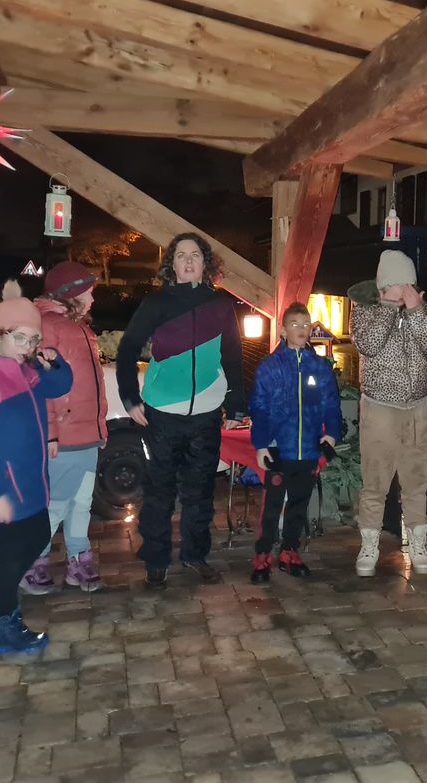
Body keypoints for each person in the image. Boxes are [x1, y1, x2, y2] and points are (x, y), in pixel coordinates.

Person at [115, 233, 246, 589]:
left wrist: (236, 404)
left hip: (206, 412)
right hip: (162, 412)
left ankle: (195, 555)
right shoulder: (156, 303)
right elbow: (128, 349)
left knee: (200, 491)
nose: (188, 261)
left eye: (195, 255)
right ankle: (156, 560)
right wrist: (130, 398)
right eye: (181, 255)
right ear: (171, 264)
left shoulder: (220, 306)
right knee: (159, 491)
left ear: (206, 264)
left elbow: (233, 356)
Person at [0, 282, 72, 655]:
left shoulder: (26, 370)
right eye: (20, 338)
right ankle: (3, 628)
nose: (27, 346)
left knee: (36, 538)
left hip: (30, 485)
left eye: (33, 339)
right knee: (7, 558)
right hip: (0, 489)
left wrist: (53, 362)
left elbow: (60, 385)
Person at [347, 249, 427, 577]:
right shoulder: (365, 310)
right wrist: (389, 306)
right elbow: (368, 345)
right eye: (399, 284)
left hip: (418, 408)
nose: (405, 290)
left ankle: (417, 542)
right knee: (375, 482)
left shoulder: (419, 310)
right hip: (380, 409)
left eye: (409, 284)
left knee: (417, 481)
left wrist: (417, 310)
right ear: (384, 285)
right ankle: (369, 545)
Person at [19, 262, 108, 595]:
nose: (93, 299)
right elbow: (39, 385)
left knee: (81, 503)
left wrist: (100, 427)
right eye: (89, 293)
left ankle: (78, 561)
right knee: (55, 505)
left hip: (87, 434)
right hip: (64, 437)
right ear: (71, 294)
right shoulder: (46, 326)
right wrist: (50, 432)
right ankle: (31, 564)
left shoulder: (78, 327)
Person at [248, 302, 342, 584]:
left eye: (305, 325)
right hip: (279, 449)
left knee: (299, 504)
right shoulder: (270, 367)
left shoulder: (320, 367)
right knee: (272, 505)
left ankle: (289, 551)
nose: (301, 330)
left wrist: (331, 433)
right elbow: (259, 407)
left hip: (309, 449)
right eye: (295, 324)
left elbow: (331, 404)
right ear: (283, 330)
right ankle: (263, 554)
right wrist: (261, 444)